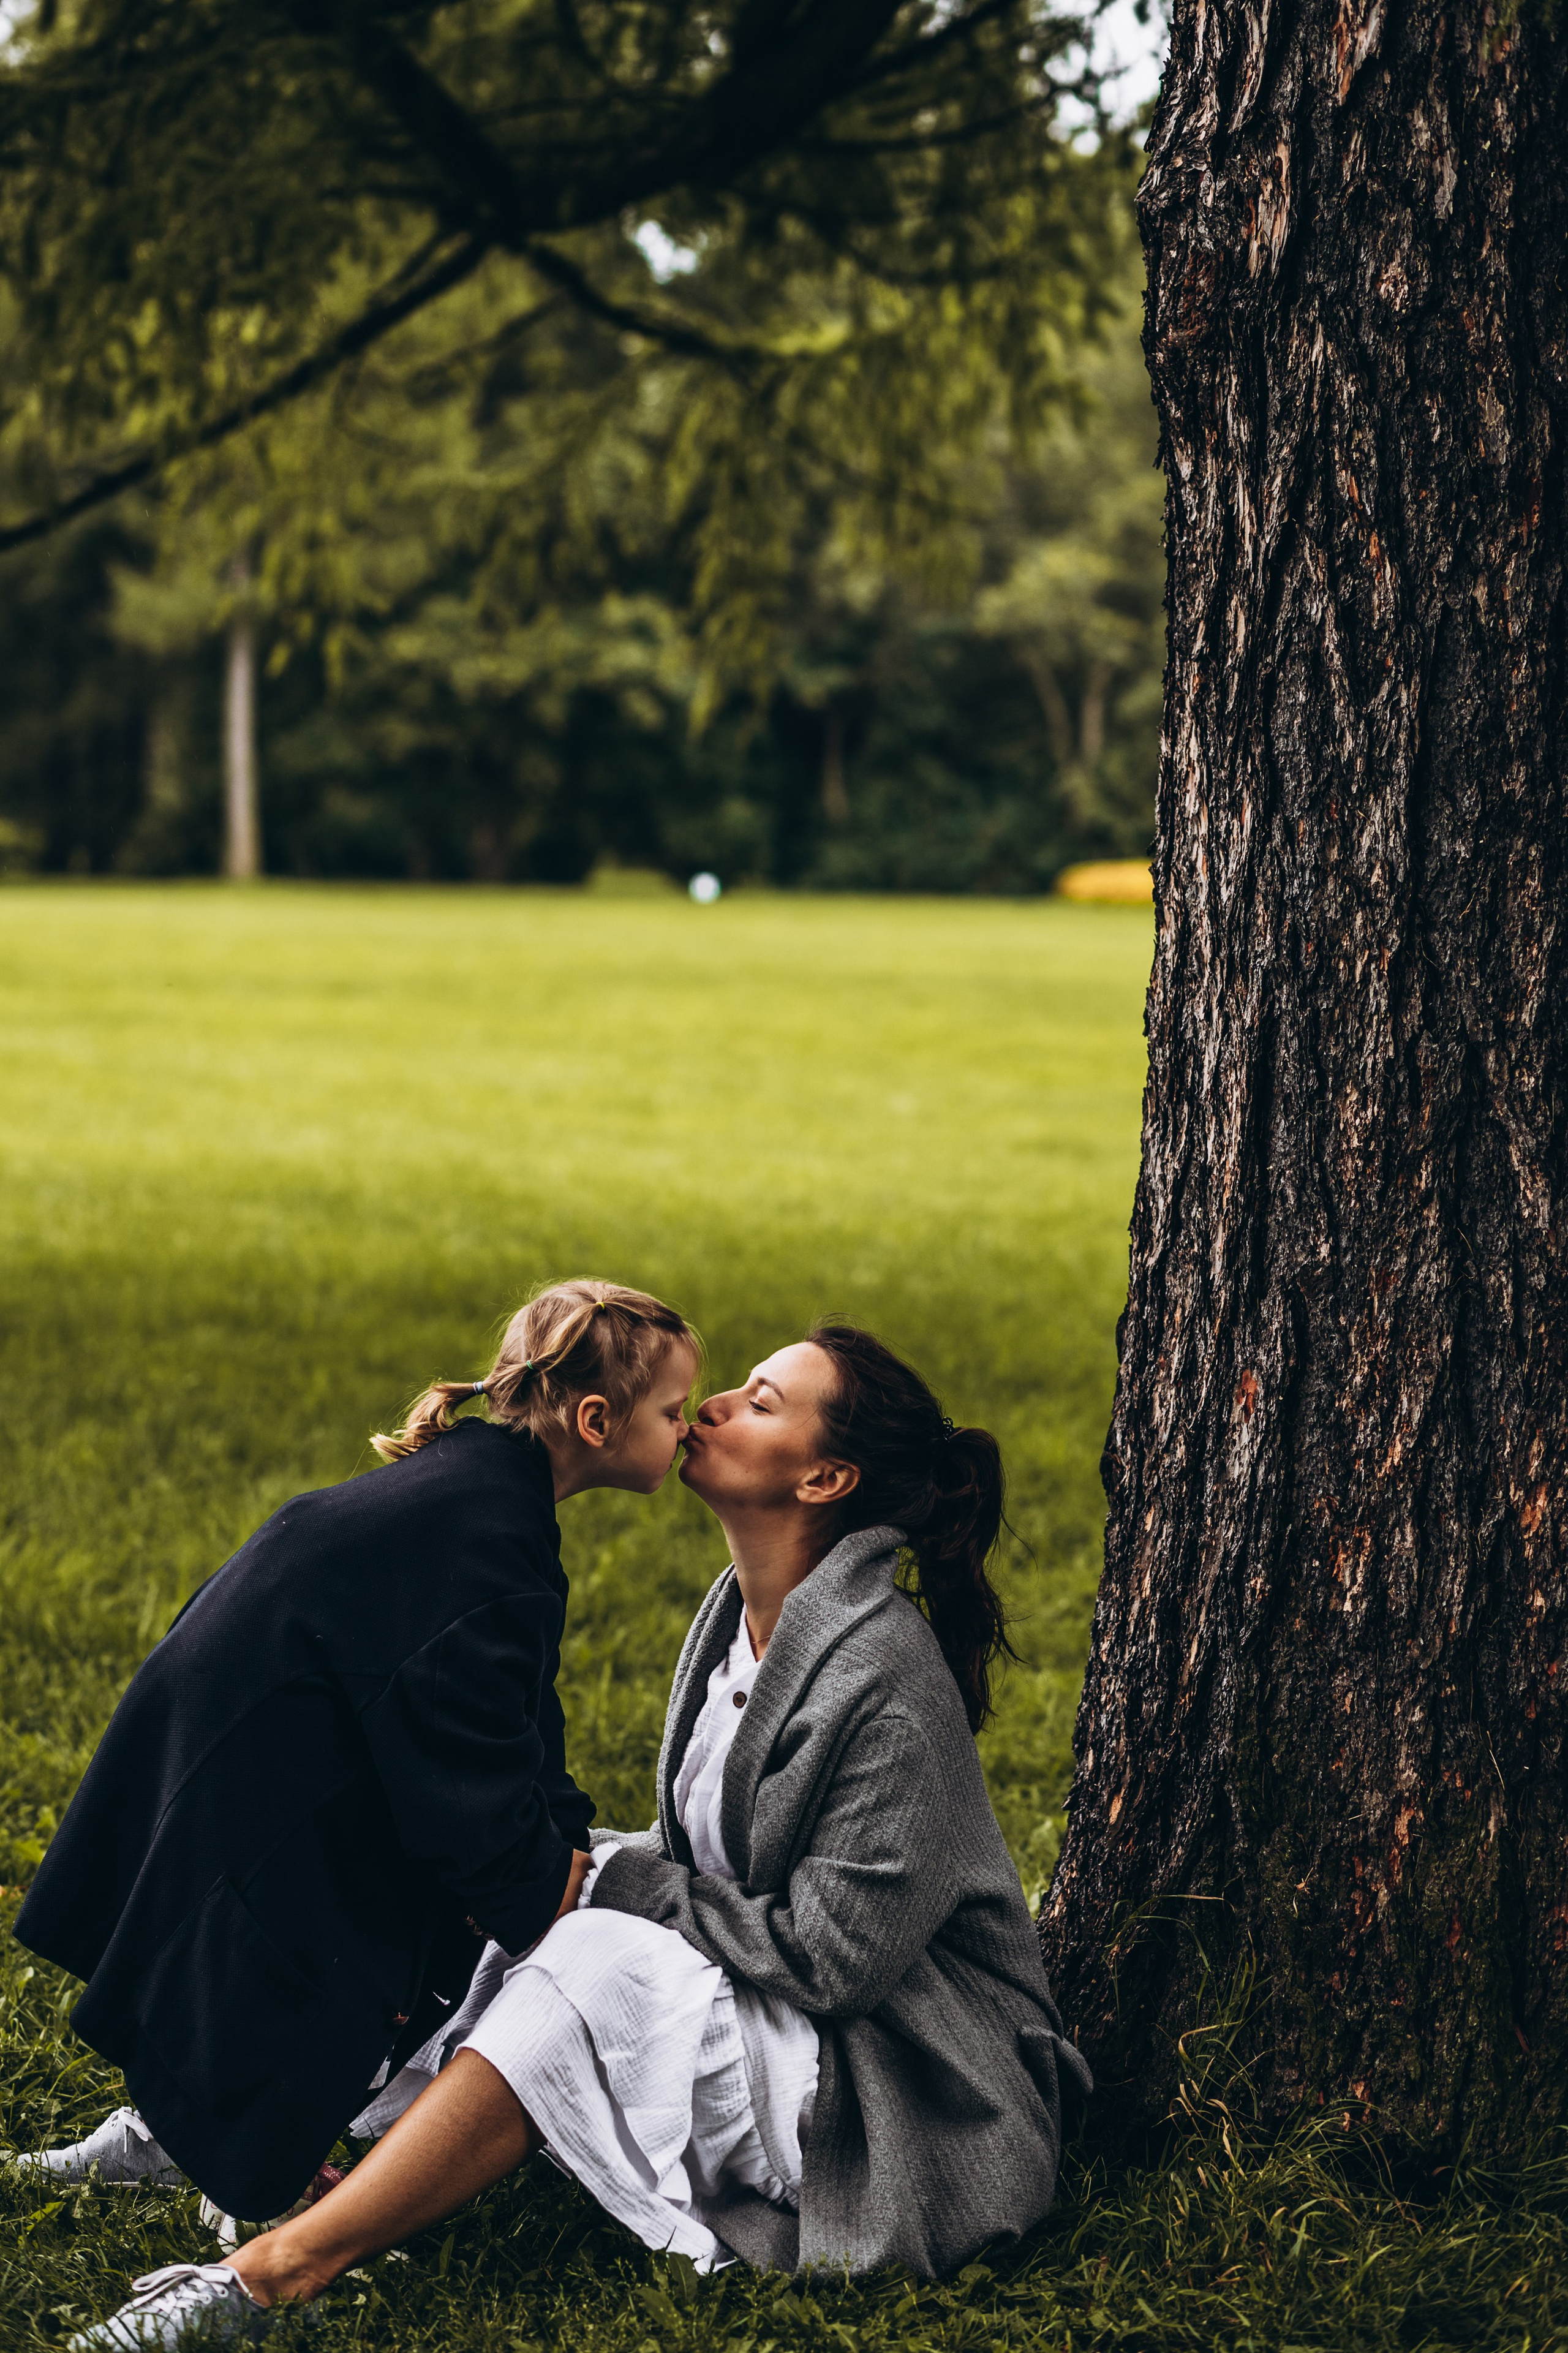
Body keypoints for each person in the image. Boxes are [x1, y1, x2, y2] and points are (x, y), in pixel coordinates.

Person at [60, 1324, 1091, 2349]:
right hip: (780, 2006)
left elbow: (838, 1960)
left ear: (823, 1479)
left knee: (593, 1949)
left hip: (895, 2086)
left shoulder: (887, 1680)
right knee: (489, 1880)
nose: (716, 1405)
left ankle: (273, 2278)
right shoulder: (743, 1615)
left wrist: (611, 1883)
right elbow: (702, 1862)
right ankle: (203, 2121)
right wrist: (567, 1871)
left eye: (761, 1401)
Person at [12, 1278, 698, 2234]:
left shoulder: (482, 1494)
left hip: (246, 1739)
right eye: (673, 1411)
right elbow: (467, 1764)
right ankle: (250, 2182)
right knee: (345, 1948)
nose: (688, 1429)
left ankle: (188, 2135)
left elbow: (518, 1720)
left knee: (340, 1926)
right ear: (595, 1420)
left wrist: (564, 1848)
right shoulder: (488, 1536)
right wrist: (537, 1888)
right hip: (273, 1767)